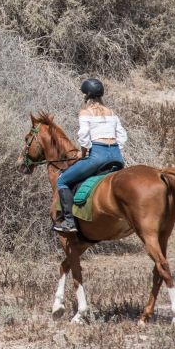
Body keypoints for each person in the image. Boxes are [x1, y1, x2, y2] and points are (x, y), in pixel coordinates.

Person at [54, 78, 128, 234]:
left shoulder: (85, 113)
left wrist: (84, 152)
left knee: (62, 180)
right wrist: (116, 149)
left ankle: (69, 222)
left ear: (87, 95)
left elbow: (84, 136)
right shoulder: (111, 113)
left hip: (97, 155)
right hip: (116, 155)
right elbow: (122, 136)